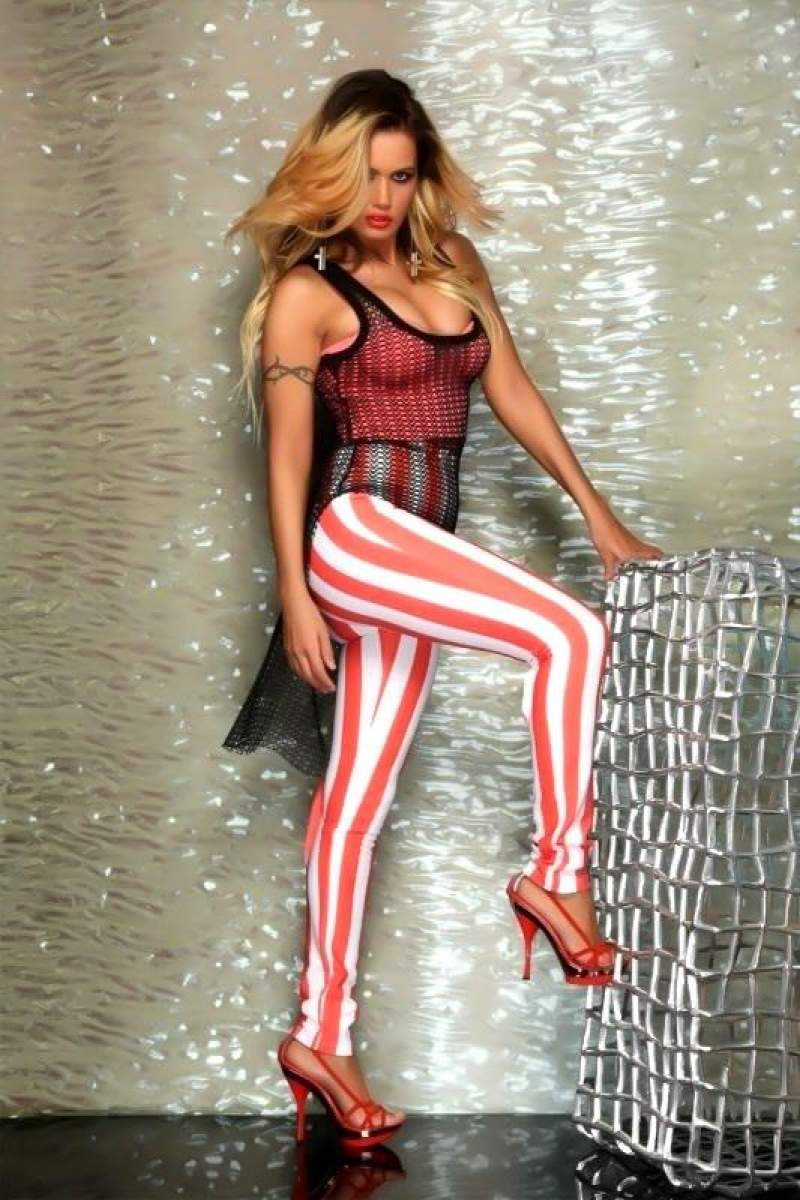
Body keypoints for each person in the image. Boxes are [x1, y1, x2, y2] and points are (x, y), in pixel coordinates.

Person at [222, 69, 665, 1150]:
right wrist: (294, 593)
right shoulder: (309, 294)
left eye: (399, 176)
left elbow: (509, 389)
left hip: (422, 551)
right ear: (333, 175)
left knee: (354, 803)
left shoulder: (452, 263)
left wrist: (596, 515)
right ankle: (557, 874)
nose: (381, 199)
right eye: (365, 176)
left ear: (420, 176)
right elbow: (287, 456)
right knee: (571, 632)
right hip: (356, 536)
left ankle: (319, 1036)